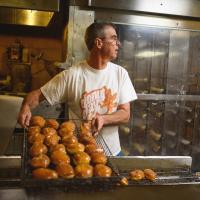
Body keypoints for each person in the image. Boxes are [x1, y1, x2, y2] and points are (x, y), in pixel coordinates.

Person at [18, 22, 137, 156]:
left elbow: (125, 114)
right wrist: (26, 106)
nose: (118, 43)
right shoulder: (71, 75)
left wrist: (104, 119)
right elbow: (38, 95)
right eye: (114, 38)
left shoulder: (120, 74)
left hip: (112, 152)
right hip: (79, 154)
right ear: (99, 43)